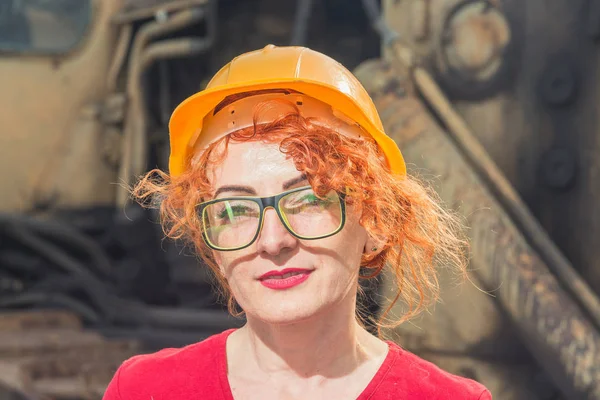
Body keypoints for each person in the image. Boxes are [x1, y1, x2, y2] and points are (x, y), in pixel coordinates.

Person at [103, 45, 492, 399]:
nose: (273, 241)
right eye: (236, 210)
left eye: (308, 200)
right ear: (211, 246)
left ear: (375, 222)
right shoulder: (143, 390)